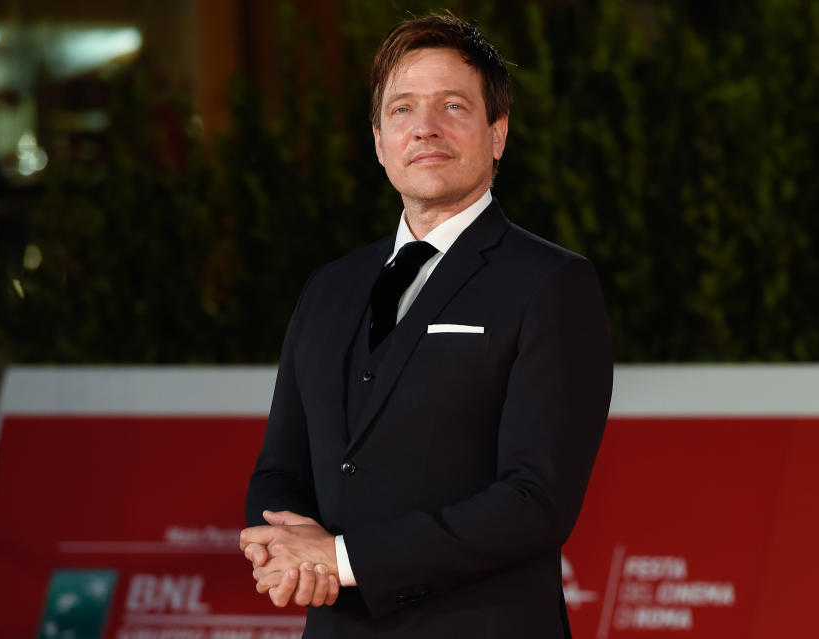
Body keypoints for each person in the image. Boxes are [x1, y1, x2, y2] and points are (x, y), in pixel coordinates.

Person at [240, 12, 612, 638]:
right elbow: (279, 466)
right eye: (403, 110)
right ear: (380, 139)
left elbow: (534, 501)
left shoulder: (552, 285)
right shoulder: (327, 289)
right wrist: (282, 547)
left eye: (453, 107)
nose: (426, 129)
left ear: (498, 133)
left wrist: (342, 559)